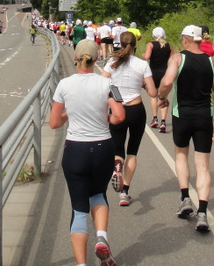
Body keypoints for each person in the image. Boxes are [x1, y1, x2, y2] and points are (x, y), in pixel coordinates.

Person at [50, 39, 126, 266]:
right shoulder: (108, 84)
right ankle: (101, 236)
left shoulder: (64, 85)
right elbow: (120, 116)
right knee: (98, 195)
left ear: (76, 58)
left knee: (79, 207)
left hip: (75, 150)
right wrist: (107, 117)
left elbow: (54, 123)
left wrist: (67, 115)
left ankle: (81, 264)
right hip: (103, 147)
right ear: (95, 59)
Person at [158, 25, 214, 233]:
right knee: (203, 165)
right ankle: (202, 212)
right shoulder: (212, 60)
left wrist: (161, 97)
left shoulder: (178, 58)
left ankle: (185, 198)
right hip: (204, 116)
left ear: (186, 39)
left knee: (181, 156)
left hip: (182, 115)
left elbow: (167, 81)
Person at [102, 31, 157, 207]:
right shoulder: (142, 65)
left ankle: (117, 165)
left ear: (119, 43)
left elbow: (100, 85)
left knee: (118, 149)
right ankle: (125, 192)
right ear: (135, 46)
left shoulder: (112, 63)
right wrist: (142, 85)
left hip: (117, 110)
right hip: (136, 109)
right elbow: (153, 92)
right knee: (132, 151)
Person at [142, 27, 173, 133]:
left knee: (153, 95)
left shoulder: (151, 45)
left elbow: (147, 56)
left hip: (153, 72)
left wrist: (143, 55)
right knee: (163, 96)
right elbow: (173, 58)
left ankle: (155, 118)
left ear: (154, 35)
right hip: (165, 73)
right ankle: (163, 121)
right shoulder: (168, 45)